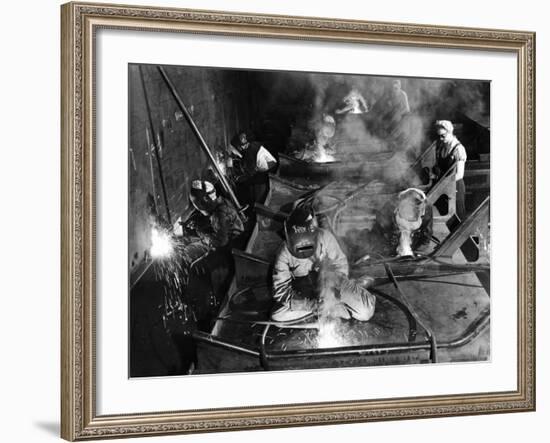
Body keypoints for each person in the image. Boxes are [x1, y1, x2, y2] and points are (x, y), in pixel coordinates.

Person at [271, 206, 376, 322]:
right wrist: (310, 305)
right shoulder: (283, 252)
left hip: (332, 283)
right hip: (306, 290)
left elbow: (340, 264)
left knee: (366, 312)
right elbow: (281, 290)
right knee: (277, 316)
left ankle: (352, 290)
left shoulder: (325, 237)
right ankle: (334, 309)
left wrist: (330, 290)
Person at [372, 188, 433, 257]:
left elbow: (426, 235)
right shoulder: (388, 208)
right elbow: (379, 233)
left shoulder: (427, 208)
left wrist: (418, 252)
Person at [229, 131, 277, 204]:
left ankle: (255, 207)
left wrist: (238, 179)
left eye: (236, 147)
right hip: (269, 170)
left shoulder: (250, 152)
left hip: (266, 175)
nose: (236, 149)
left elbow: (250, 172)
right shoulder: (253, 145)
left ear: (241, 146)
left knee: (256, 197)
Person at [433, 120, 468, 220]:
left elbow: (459, 175)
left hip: (455, 187)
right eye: (439, 136)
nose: (440, 138)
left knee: (459, 218)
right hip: (444, 187)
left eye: (443, 135)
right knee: (448, 218)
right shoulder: (442, 146)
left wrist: (443, 184)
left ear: (450, 132)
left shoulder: (458, 149)